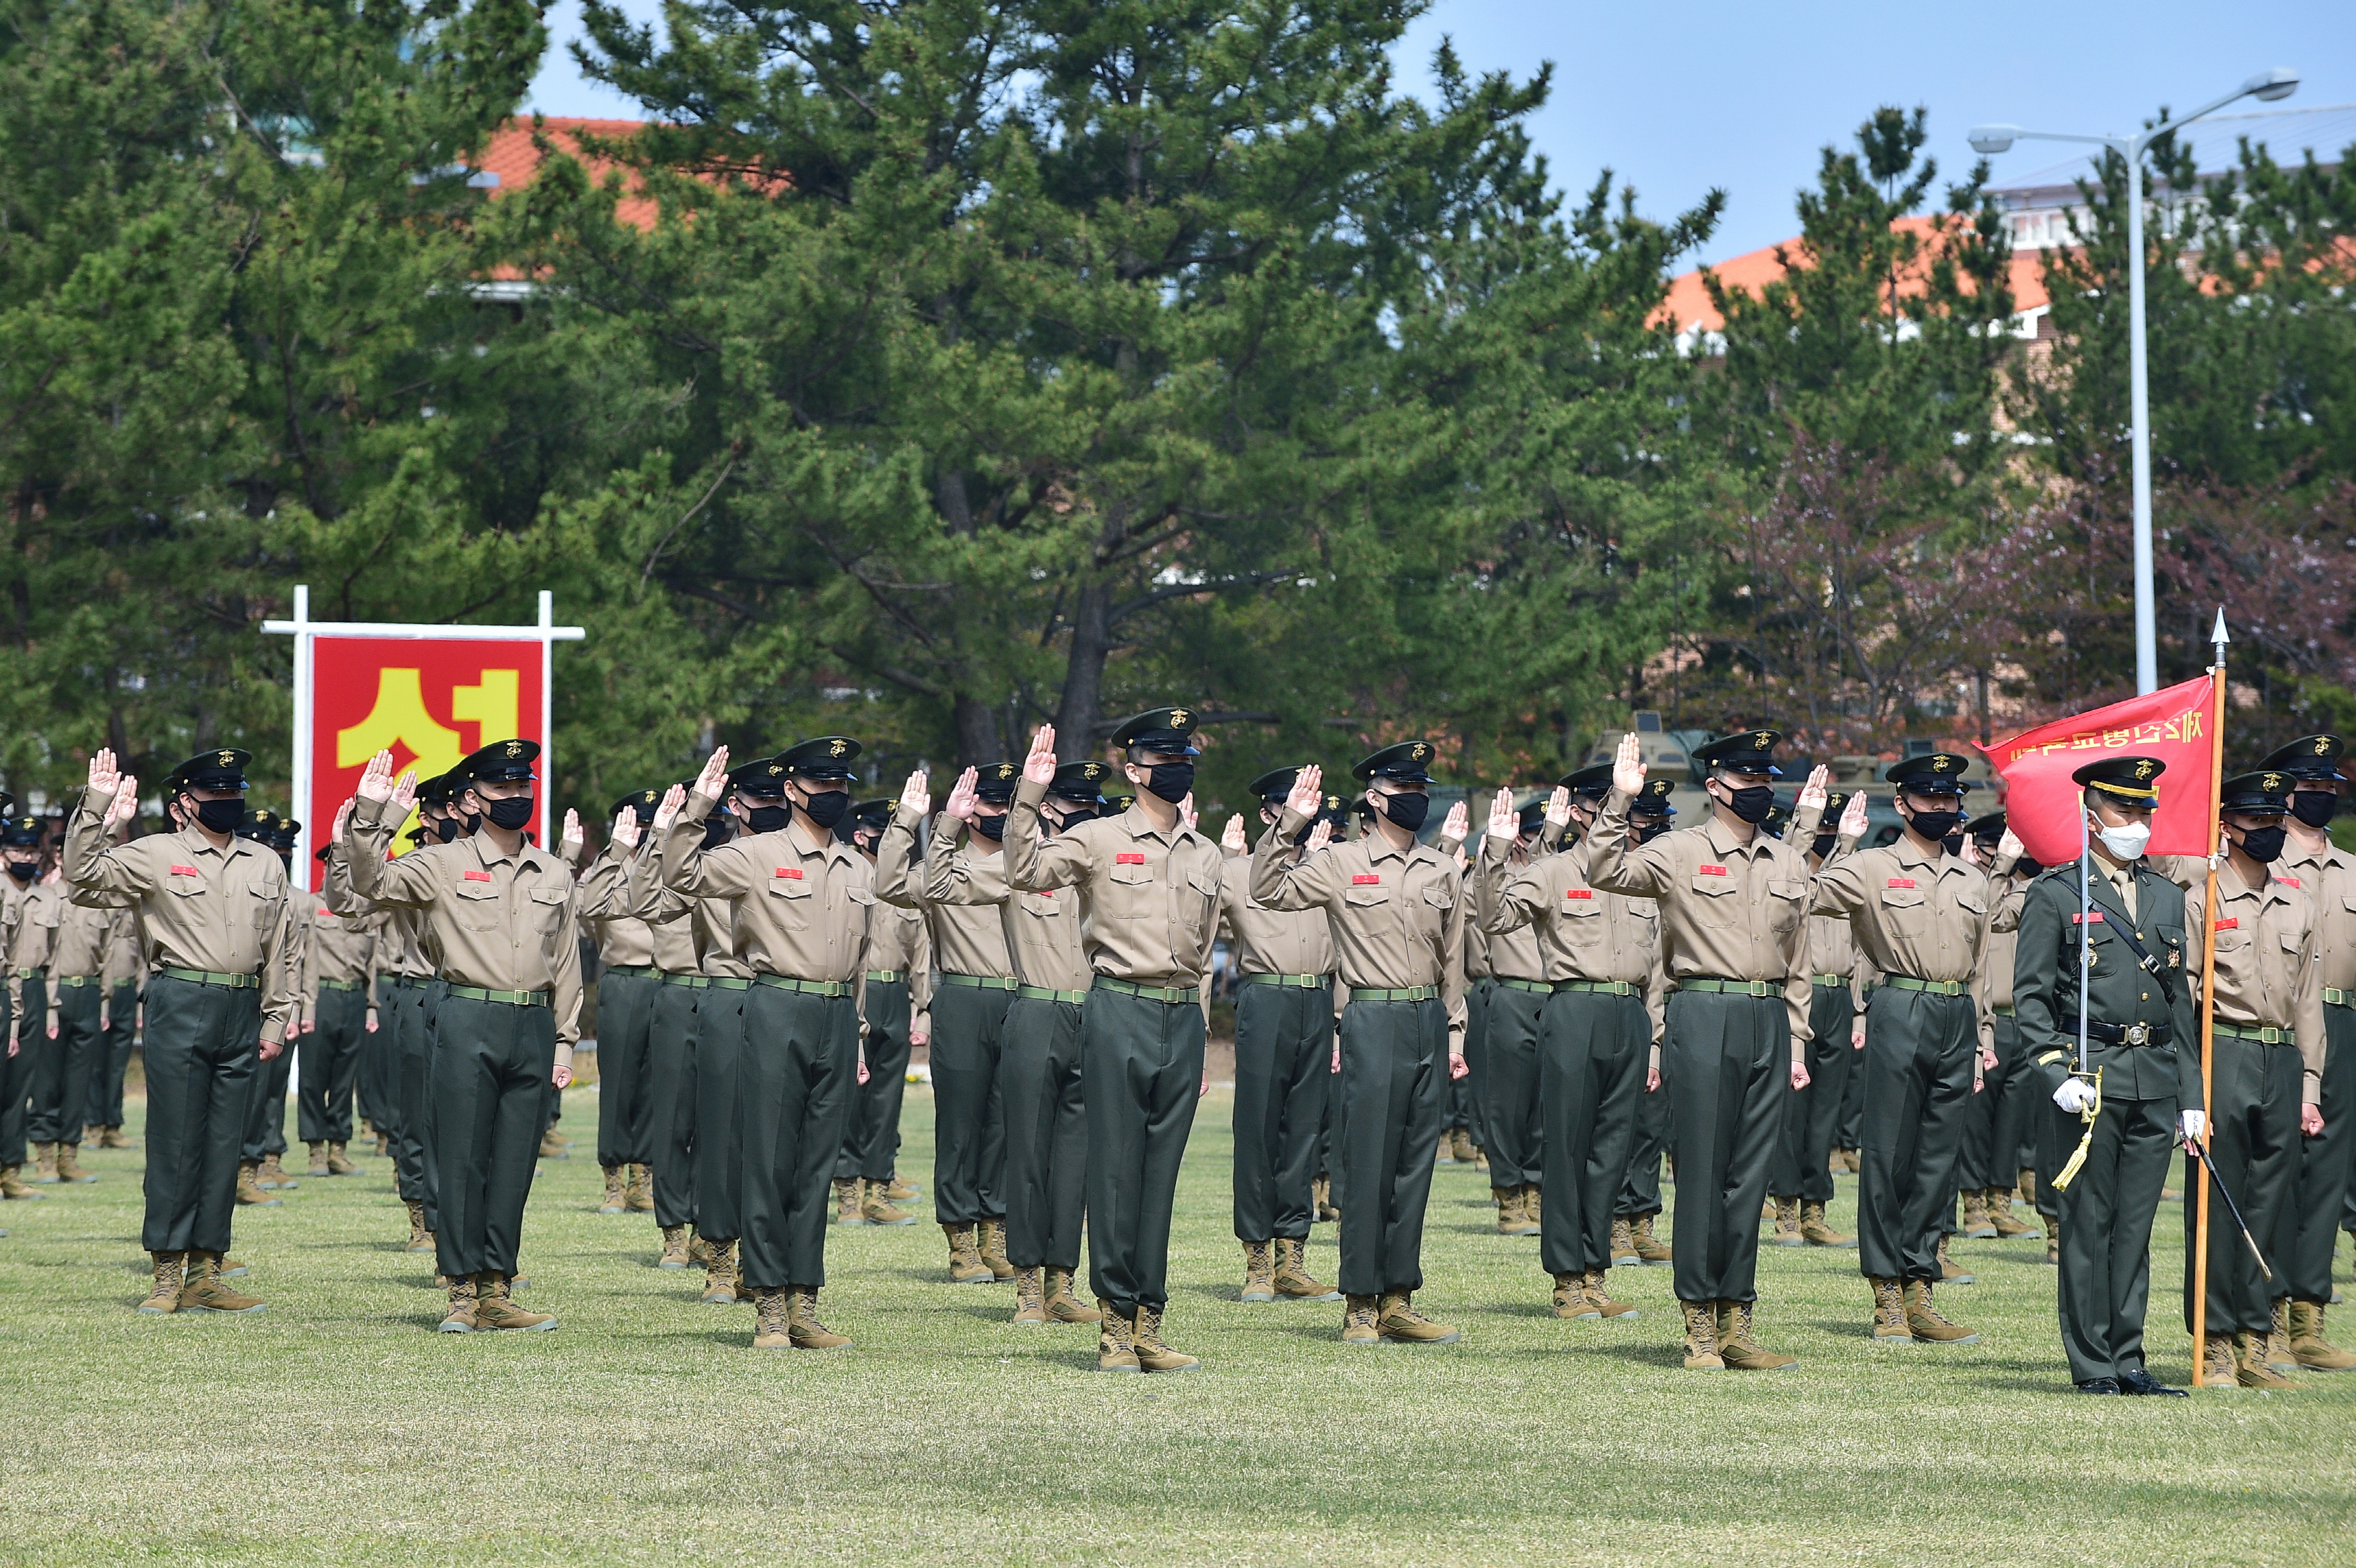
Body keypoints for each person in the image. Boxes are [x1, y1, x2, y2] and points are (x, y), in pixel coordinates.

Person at [1003, 709, 1225, 1373]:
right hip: (1117, 1009)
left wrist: (1204, 1026)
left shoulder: (1206, 852)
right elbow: (1024, 872)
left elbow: (1207, 950)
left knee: (1160, 1178)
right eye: (1163, 757)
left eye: (1184, 756)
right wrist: (1030, 796)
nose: (1177, 768)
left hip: (1180, 1017)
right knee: (1114, 1170)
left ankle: (1149, 1323)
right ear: (1134, 770)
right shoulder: (1096, 837)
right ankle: (1113, 1328)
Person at [1587, 729, 1814, 1373]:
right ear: (1715, 786)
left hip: (1767, 1017)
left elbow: (1797, 960)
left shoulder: (1787, 861)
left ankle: (1737, 1318)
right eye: (1748, 782)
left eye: (1767, 782)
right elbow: (1606, 871)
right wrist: (1618, 802)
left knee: (1750, 1178)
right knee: (1703, 1171)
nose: (1761, 793)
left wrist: (1797, 1036)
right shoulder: (1677, 851)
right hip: (1702, 1012)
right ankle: (1699, 1325)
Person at [345, 740, 581, 1333]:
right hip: (465, 1015)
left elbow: (568, 961)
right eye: (502, 788)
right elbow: (371, 880)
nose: (516, 797)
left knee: (514, 1162)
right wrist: (374, 816)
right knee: (460, 1157)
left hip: (530, 1022)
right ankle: (459, 1289)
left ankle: (497, 1287)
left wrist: (564, 1040)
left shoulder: (554, 870)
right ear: (473, 799)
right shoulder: (443, 862)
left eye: (523, 786)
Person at [1252, 742, 1470, 1348]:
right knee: (1369, 1163)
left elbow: (1452, 962)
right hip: (1372, 1017)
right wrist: (1292, 822)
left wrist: (1455, 1032)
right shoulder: (1341, 861)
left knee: (1413, 1167)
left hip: (1428, 1019)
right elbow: (1268, 887)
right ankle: (1359, 1303)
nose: (1417, 800)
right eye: (1404, 791)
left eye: (1421, 789)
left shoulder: (1444, 869)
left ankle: (1400, 1297)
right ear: (1374, 798)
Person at [658, 740, 871, 1351]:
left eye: (841, 782)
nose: (833, 792)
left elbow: (857, 963)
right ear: (793, 791)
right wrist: (697, 806)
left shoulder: (857, 867)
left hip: (835, 1013)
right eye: (820, 782)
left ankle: (804, 1300)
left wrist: (857, 1032)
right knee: (770, 1158)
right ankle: (770, 1304)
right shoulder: (754, 854)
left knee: (816, 1166)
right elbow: (681, 874)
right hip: (775, 1004)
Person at [67, 748, 293, 1315]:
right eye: (214, 794)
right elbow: (83, 875)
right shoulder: (155, 853)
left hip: (242, 1005)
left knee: (224, 1143)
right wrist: (97, 807)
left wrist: (276, 1016)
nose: (226, 801)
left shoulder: (265, 863)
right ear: (183, 805)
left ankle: (207, 1270)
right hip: (180, 998)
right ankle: (167, 1269)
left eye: (233, 791)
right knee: (176, 1139)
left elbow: (281, 948)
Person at [2015, 755, 2199, 1396]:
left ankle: (2129, 1355)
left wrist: (2192, 1096)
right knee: (2089, 1223)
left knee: (2136, 1225)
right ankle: (2092, 1362)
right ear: (2091, 816)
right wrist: (2053, 1071)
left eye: (2145, 809)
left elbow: (2182, 1004)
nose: (2139, 821)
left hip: (2154, 1078)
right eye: (2126, 809)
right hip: (2089, 1078)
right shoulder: (2057, 892)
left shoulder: (2168, 895)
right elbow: (2031, 1000)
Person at [1805, 754, 1992, 1346]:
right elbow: (1807, 892)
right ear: (1904, 804)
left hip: (1955, 1010)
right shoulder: (1871, 867)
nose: (1941, 809)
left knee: (1939, 1158)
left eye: (1949, 800)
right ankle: (1887, 1290)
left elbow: (1981, 965)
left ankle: (1920, 1286)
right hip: (1899, 1005)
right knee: (1888, 1154)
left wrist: (1981, 1039)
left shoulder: (1972, 879)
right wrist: (1840, 842)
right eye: (1928, 800)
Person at [916, 758, 1108, 1323]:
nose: (1086, 814)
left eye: (1093, 805)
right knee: (1023, 1152)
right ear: (1046, 808)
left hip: (1094, 1015)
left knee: (1074, 1161)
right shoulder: (1019, 867)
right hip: (1034, 1012)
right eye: (1074, 803)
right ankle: (1027, 1285)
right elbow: (937, 883)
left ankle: (1061, 1281)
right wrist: (946, 826)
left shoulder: (1105, 864)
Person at [1477, 767, 1661, 1323]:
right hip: (1573, 1008)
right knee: (1567, 1148)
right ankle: (1565, 1279)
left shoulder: (1639, 875)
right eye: (1605, 805)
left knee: (1611, 1151)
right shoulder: (1552, 871)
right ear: (1581, 812)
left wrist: (1653, 1040)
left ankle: (1594, 1271)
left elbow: (1656, 968)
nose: (1620, 815)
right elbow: (1494, 917)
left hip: (1628, 1013)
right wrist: (1494, 856)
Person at [2179, 769, 2327, 1388]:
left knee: (2269, 1205)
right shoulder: (2201, 898)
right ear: (2226, 826)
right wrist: (2189, 1093)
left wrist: (2310, 1086)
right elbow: (2184, 1000)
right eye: (2255, 821)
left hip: (2280, 1061)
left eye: (2274, 820)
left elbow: (2309, 1001)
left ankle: (2255, 1342)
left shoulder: (2298, 898)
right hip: (2225, 1054)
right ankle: (2213, 1341)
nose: (2267, 832)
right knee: (2217, 1204)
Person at [877, 761, 1020, 1285]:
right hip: (963, 995)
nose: (998, 813)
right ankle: (961, 1239)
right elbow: (889, 882)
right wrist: (926, 823)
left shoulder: (1032, 866)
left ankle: (997, 1231)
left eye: (1007, 804)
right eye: (989, 804)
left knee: (1009, 1124)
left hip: (1021, 998)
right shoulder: (946, 864)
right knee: (960, 1123)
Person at [1218, 767, 1344, 1306]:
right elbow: (1203, 948)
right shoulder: (1237, 873)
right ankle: (1258, 1260)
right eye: (1287, 808)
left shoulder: (1327, 870)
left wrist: (1338, 1022)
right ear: (1269, 813)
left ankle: (1293, 1254)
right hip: (1265, 998)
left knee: (1304, 1133)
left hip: (1316, 1001)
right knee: (1257, 1132)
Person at [2259, 736, 2356, 1372]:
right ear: (2284, 792)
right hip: (2280, 1017)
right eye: (2309, 788)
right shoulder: (2260, 858)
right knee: (2273, 1167)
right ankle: (2260, 1311)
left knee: (2326, 1174)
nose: (2320, 798)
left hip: (2343, 1019)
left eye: (2329, 788)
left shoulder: (2352, 868)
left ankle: (2308, 1319)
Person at [1769, 791, 1861, 1249]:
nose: (1827, 837)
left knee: (1827, 1108)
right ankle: (1786, 1205)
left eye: (1833, 830)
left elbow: (1863, 947)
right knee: (1791, 1109)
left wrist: (1859, 1009)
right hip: (1795, 995)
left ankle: (1814, 1209)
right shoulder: (1789, 868)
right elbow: (1790, 859)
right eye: (1820, 829)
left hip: (1839, 994)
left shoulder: (1847, 875)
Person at [837, 798, 929, 1227]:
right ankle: (847, 1194)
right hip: (857, 991)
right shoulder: (845, 874)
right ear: (861, 835)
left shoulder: (903, 885)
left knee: (886, 1100)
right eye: (883, 832)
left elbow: (920, 949)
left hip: (894, 995)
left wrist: (922, 1005)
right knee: (849, 1099)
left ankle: (877, 1189)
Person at [583, 790, 662, 1217]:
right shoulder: (608, 870)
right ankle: (613, 1178)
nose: (645, 835)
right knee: (617, 1083)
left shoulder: (671, 865)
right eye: (639, 827)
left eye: (651, 827)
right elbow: (590, 919)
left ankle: (643, 1177)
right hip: (623, 981)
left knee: (655, 1084)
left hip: (662, 980)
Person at [1475, 794, 1551, 1236]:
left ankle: (1536, 1190)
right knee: (1507, 1105)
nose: (1531, 840)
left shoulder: (1552, 871)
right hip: (1510, 994)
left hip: (1552, 995)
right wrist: (1497, 850)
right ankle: (1508, 1194)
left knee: (1546, 1104)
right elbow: (1481, 906)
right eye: (1528, 831)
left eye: (1539, 832)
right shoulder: (1495, 874)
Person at [1611, 778, 1678, 1267]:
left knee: (1652, 1123)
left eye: (1662, 821)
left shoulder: (1672, 875)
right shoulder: (1618, 875)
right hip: (1624, 1008)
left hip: (1666, 1010)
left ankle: (1642, 1219)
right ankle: (1614, 1221)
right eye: (1646, 820)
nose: (1655, 828)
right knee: (1618, 1124)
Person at [232, 810, 302, 1197]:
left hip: (269, 1003)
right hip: (235, 998)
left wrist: (288, 1010)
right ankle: (236, 1173)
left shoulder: (285, 895)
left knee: (265, 1093)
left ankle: (251, 1170)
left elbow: (288, 958)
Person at [296, 843, 376, 1177]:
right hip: (322, 997)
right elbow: (300, 959)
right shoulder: (312, 907)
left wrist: (372, 1006)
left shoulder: (365, 911)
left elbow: (371, 963)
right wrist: (304, 1007)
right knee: (314, 1076)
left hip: (354, 998)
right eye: (337, 864)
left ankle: (338, 1149)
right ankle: (315, 1148)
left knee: (345, 1078)